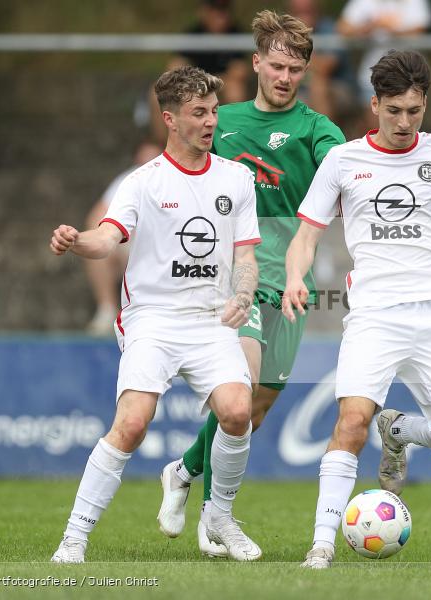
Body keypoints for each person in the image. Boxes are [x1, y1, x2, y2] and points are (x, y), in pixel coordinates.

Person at [50, 66, 263, 564]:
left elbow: (247, 256)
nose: (211, 122)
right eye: (198, 113)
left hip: (212, 318)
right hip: (153, 317)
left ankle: (220, 518)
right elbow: (107, 238)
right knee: (132, 423)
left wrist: (244, 293)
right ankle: (74, 539)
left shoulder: (236, 178)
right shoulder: (141, 183)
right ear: (170, 119)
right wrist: (77, 241)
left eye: (213, 111)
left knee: (236, 411)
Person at [282, 50, 431, 570]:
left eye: (414, 111)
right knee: (351, 421)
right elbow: (306, 234)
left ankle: (400, 430)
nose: (403, 122)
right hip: (374, 315)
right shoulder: (344, 161)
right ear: (374, 105)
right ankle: (322, 544)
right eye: (393, 110)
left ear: (425, 106)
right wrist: (293, 278)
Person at [155, 10, 345, 558]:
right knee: (241, 388)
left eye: (296, 68)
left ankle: (185, 470)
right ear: (257, 62)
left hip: (291, 282)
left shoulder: (316, 130)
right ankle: (219, 520)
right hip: (235, 280)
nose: (285, 77)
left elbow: (347, 173)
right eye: (277, 65)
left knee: (255, 409)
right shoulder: (225, 121)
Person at [84, 140, 162, 336]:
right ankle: (107, 310)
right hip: (131, 248)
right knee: (98, 252)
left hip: (166, 252)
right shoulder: (128, 180)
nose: (148, 165)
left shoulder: (175, 180)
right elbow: (96, 217)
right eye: (144, 160)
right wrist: (101, 239)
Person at [147, 0, 250, 142]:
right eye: (215, 9)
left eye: (224, 9)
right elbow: (174, 67)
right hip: (193, 86)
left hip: (221, 86)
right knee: (156, 94)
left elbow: (240, 71)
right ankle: (165, 146)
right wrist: (196, 83)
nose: (220, 15)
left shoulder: (235, 34)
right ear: (204, 11)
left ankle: (234, 143)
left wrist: (208, 83)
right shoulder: (193, 34)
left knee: (235, 90)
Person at [337, 0, 431, 133]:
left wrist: (390, 28)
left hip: (411, 78)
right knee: (377, 131)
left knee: (406, 132)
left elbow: (419, 31)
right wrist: (372, 26)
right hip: (372, 78)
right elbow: (343, 29)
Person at [287, 0, 356, 125]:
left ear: (316, 9)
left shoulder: (330, 29)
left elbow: (325, 68)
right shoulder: (284, 32)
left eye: (307, 11)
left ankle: (325, 140)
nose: (303, 16)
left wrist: (302, 40)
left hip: (339, 88)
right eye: (299, 12)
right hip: (299, 89)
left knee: (318, 84)